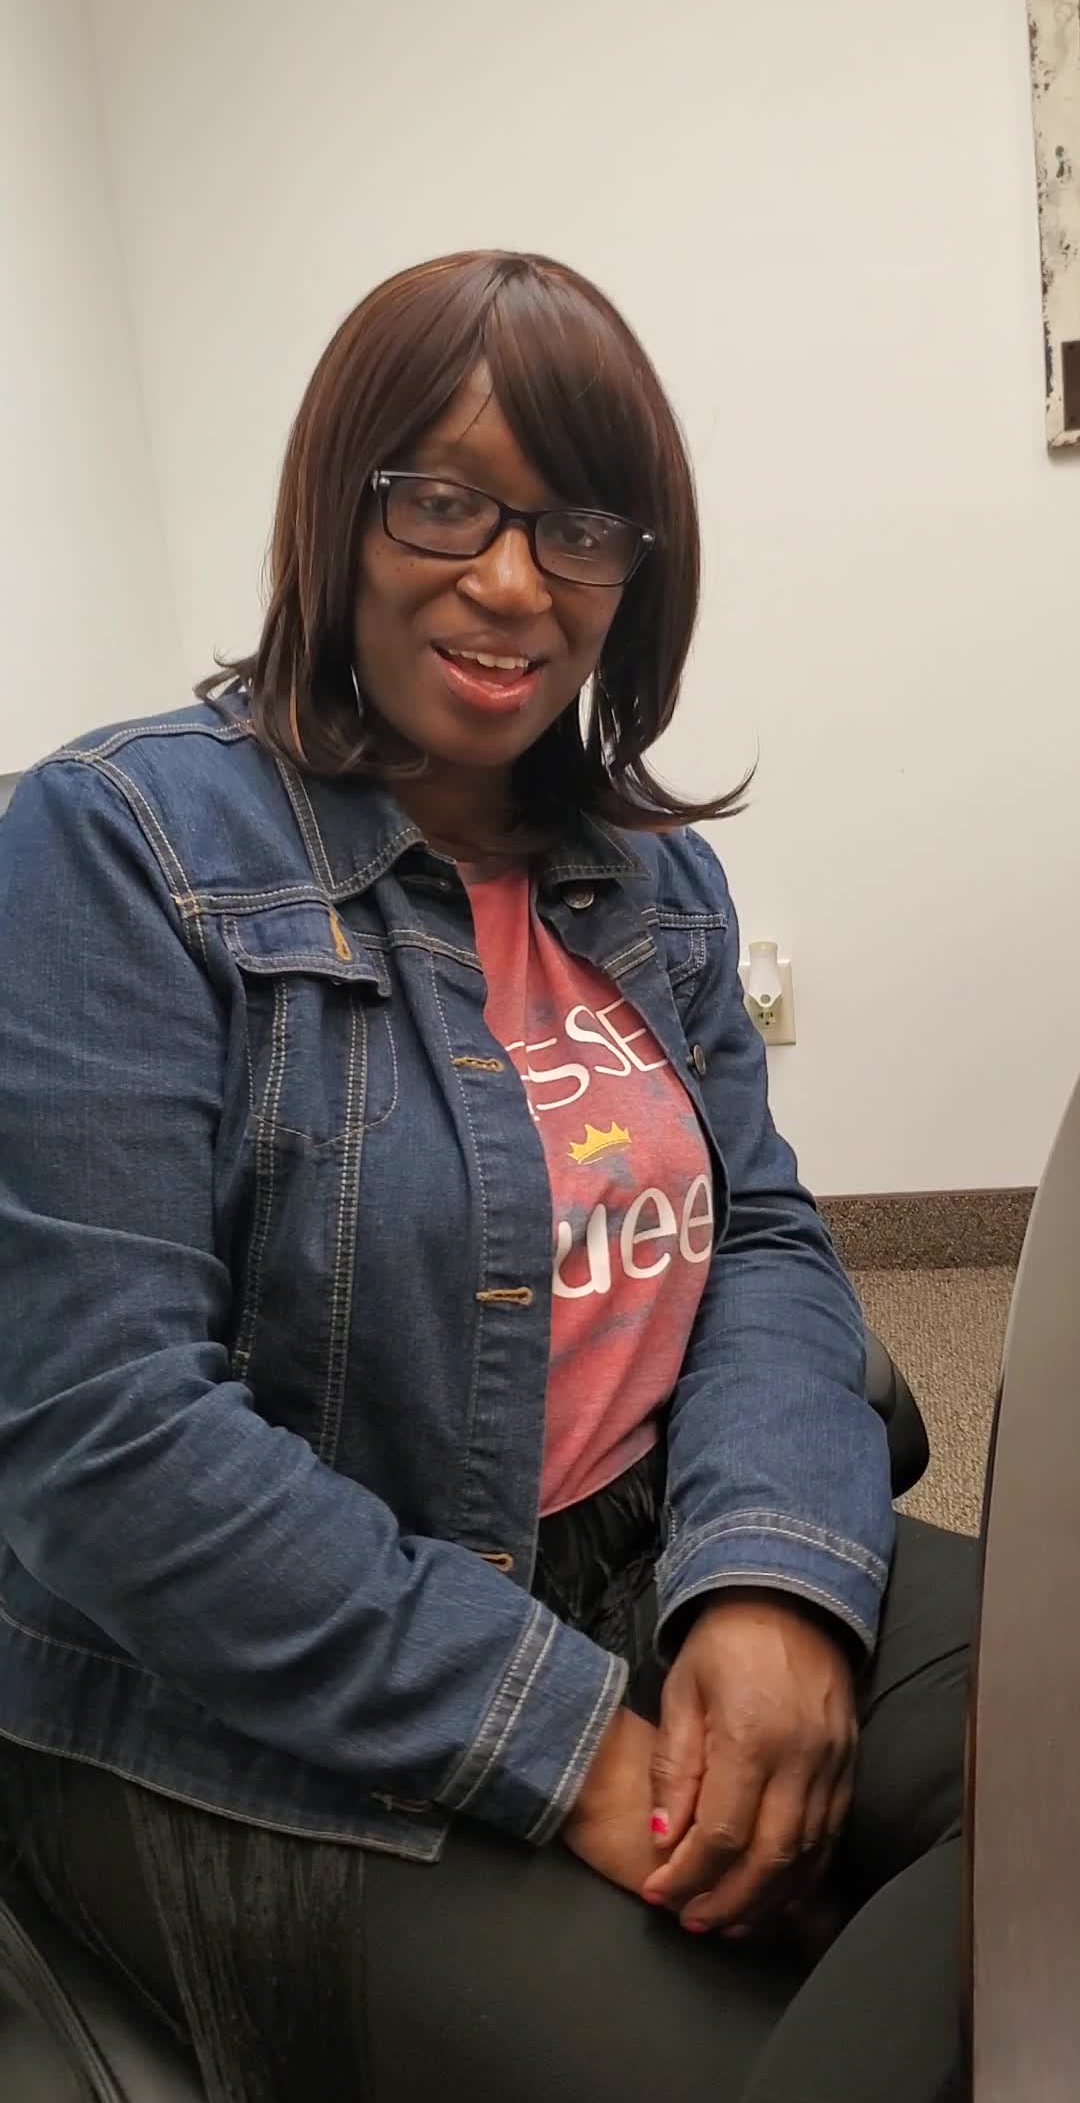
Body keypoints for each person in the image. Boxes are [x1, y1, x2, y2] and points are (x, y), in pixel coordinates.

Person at [0, 250, 973, 2103]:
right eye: (443, 502)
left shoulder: (649, 875)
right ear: (338, 508)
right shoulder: (115, 842)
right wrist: (567, 1740)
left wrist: (771, 1584)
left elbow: (761, 1237)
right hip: (259, 1680)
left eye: (580, 525)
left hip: (643, 1543)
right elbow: (100, 1436)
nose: (516, 581)